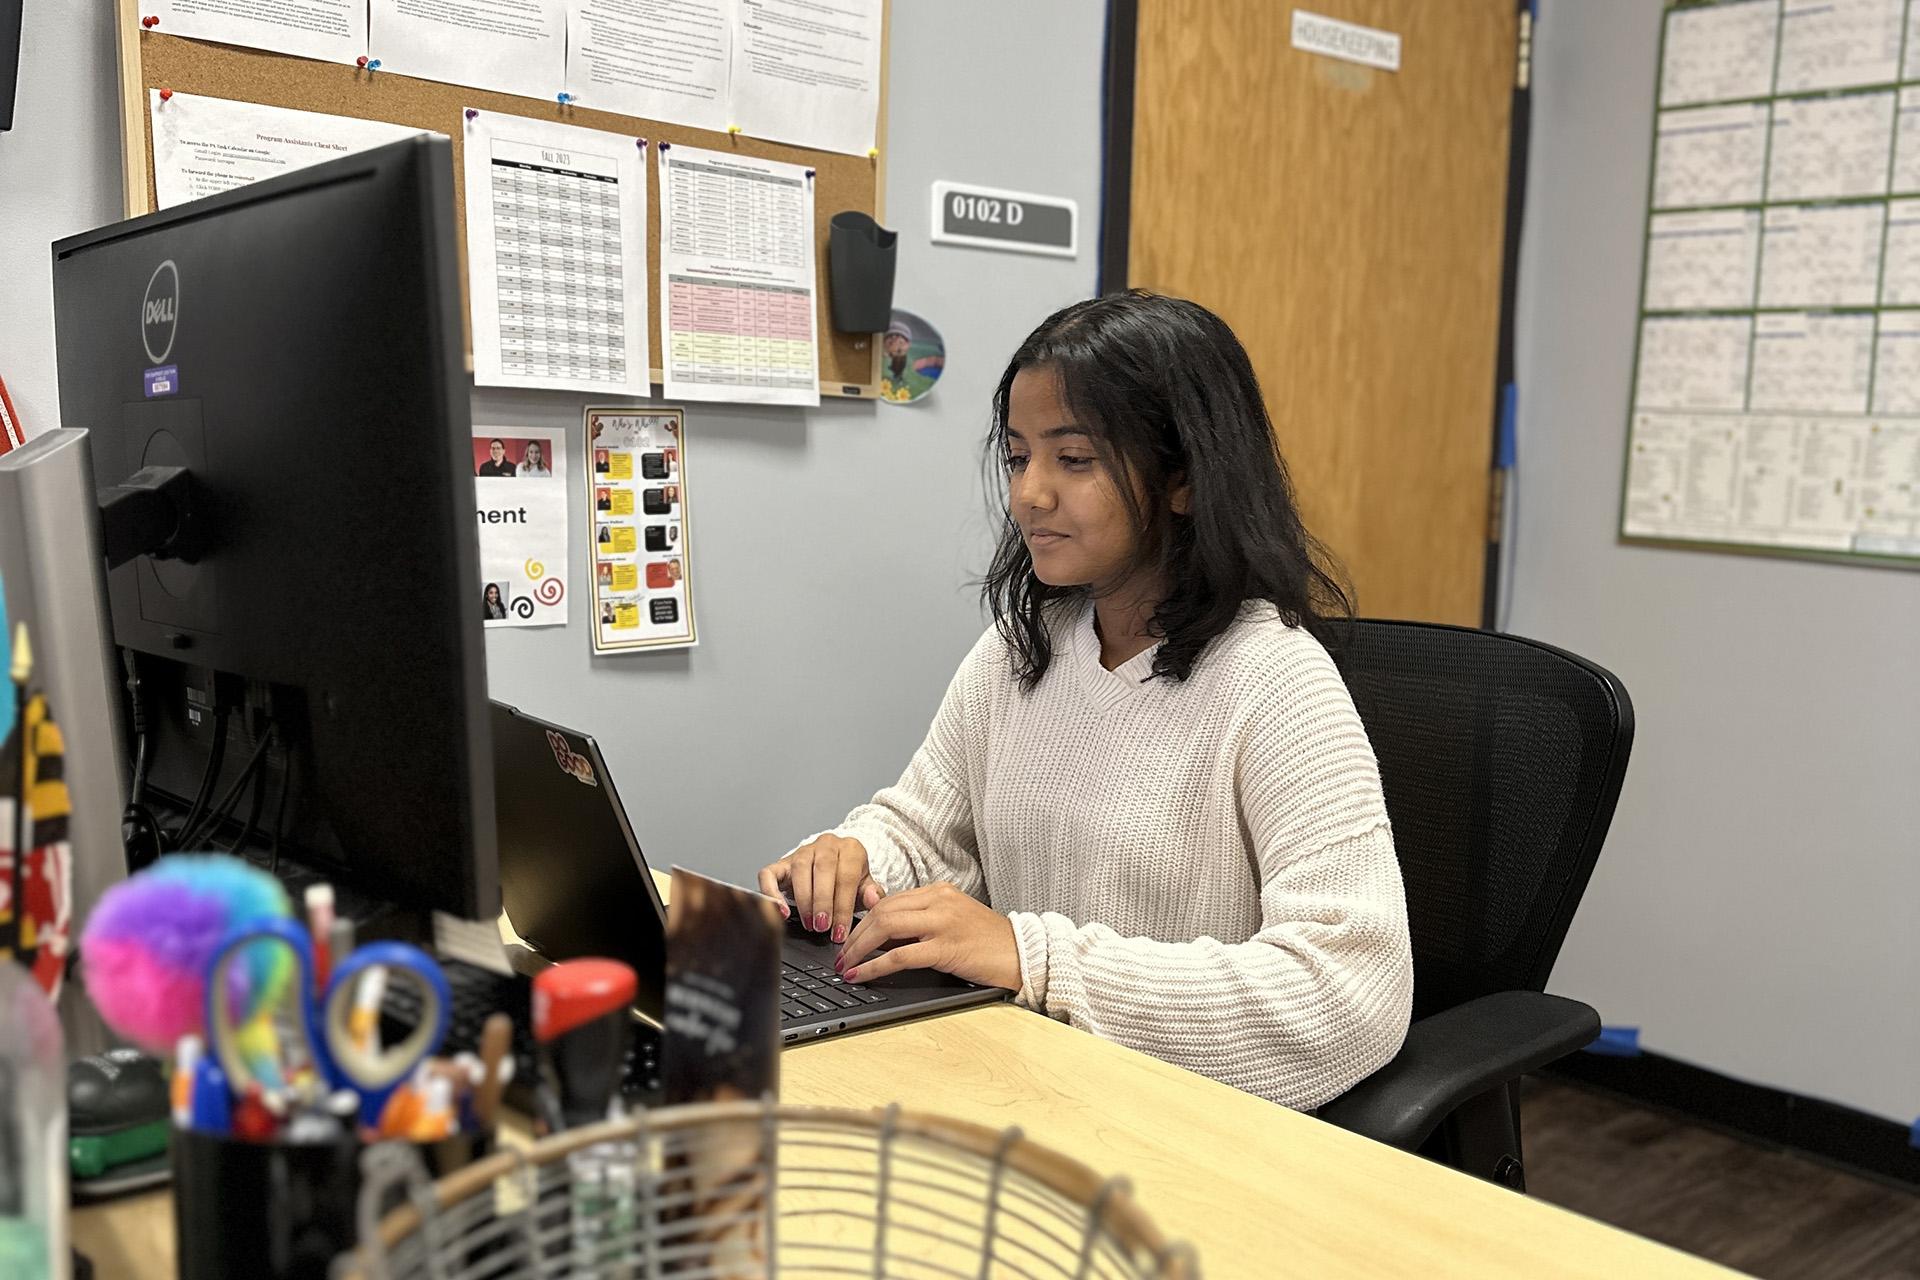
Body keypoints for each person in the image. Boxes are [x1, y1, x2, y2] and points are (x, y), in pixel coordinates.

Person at [756, 292, 1413, 1111]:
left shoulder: (1276, 682)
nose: (1029, 494)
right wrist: (852, 861)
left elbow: (1351, 993)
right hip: (1028, 1077)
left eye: (1073, 460)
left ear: (1182, 479)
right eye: (1018, 456)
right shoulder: (1022, 648)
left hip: (1182, 1120)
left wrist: (1036, 958)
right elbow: (928, 830)